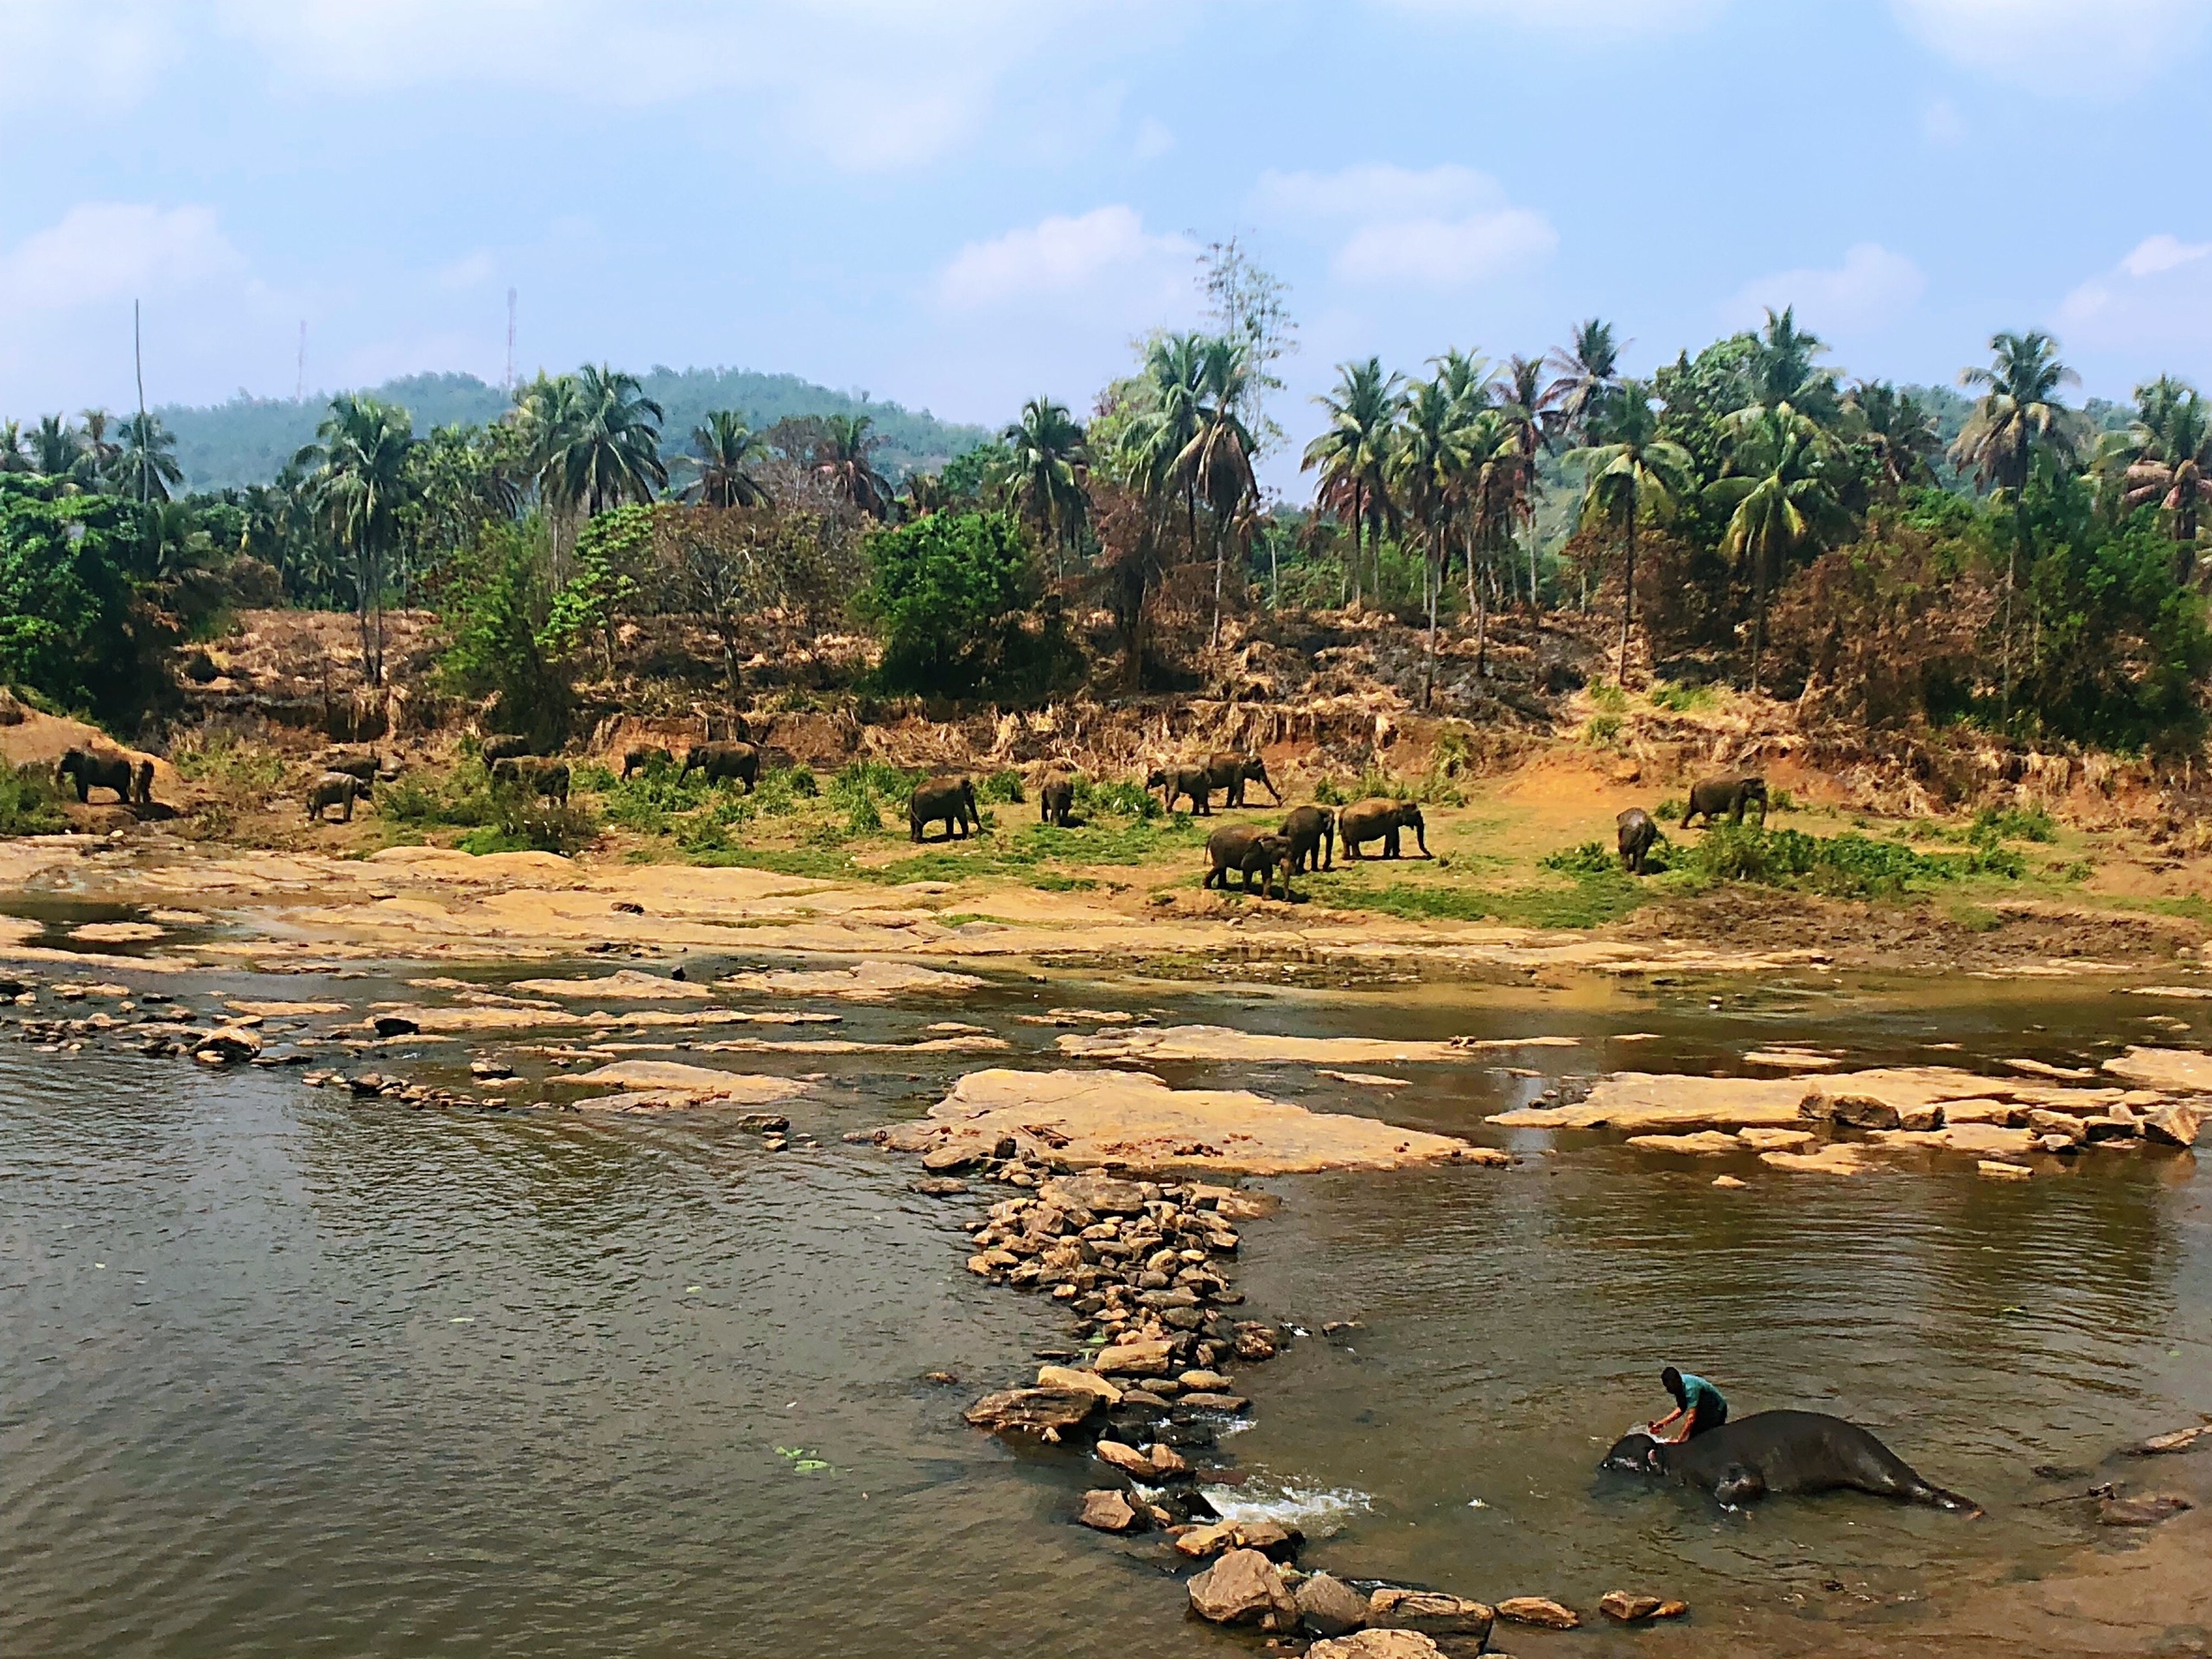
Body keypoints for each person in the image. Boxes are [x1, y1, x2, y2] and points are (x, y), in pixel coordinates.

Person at [1649, 1366, 1727, 1443]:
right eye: (1667, 1387)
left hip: (1717, 1409)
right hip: (1703, 1407)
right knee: (1694, 1437)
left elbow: (1691, 1419)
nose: (1669, 1390)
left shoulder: (1690, 1388)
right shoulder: (1677, 1386)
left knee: (1705, 1438)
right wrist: (1663, 1423)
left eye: (1670, 1387)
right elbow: (1681, 1408)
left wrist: (1679, 1440)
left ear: (1678, 1381)